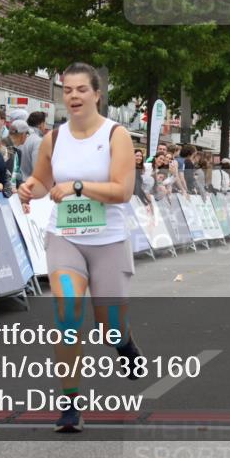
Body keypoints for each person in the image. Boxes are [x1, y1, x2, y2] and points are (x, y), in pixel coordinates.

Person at [17, 62, 141, 433]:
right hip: (65, 237)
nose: (73, 96)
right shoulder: (54, 138)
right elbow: (42, 181)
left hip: (108, 240)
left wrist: (78, 187)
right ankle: (70, 404)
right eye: (67, 90)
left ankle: (124, 345)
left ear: (97, 94)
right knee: (67, 316)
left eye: (81, 90)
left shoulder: (116, 135)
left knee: (109, 328)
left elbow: (123, 190)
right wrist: (29, 189)